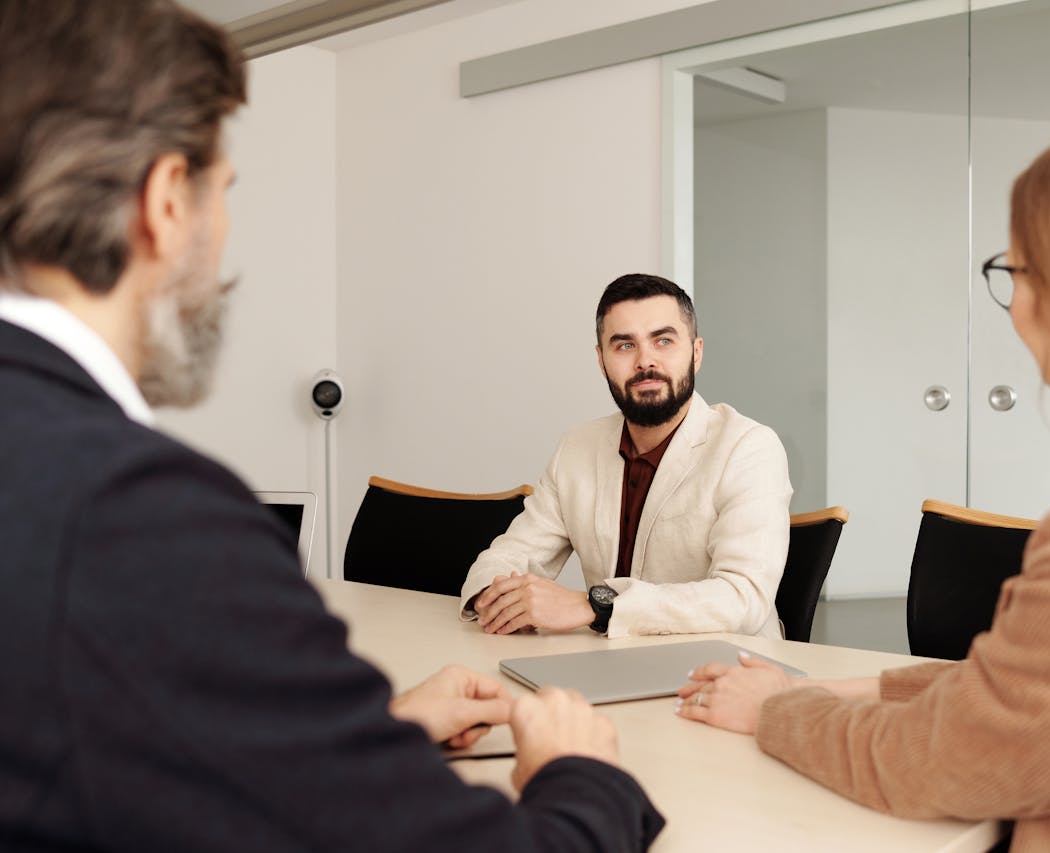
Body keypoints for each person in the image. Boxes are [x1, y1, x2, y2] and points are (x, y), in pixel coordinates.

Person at [0, 2, 663, 850]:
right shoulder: (142, 515)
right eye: (223, 196)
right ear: (167, 201)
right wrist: (587, 777)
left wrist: (345, 740)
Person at [675, 116, 1050, 850]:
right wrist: (819, 689)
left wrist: (775, 713)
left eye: (1015, 269)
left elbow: (945, 761)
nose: (1014, 301)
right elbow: (1029, 695)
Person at [460, 273, 793, 638]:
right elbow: (509, 556)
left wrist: (596, 606)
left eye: (663, 341)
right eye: (624, 346)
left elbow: (742, 599)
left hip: (725, 674)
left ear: (696, 353)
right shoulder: (576, 448)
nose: (645, 361)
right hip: (607, 666)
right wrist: (494, 597)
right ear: (602, 361)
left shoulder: (749, 448)